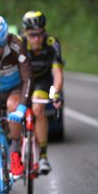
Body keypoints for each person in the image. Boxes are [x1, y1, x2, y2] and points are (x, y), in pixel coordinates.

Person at [0, 14, 33, 177]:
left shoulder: (17, 44)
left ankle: (15, 150)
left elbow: (28, 78)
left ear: (6, 39)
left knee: (13, 105)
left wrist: (22, 107)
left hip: (12, 90)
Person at [21, 10, 64, 174]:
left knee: (38, 108)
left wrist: (56, 92)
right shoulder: (21, 43)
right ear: (26, 33)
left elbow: (58, 74)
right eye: (32, 35)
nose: (37, 39)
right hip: (24, 80)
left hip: (43, 81)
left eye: (40, 34)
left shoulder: (52, 43)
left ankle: (44, 156)